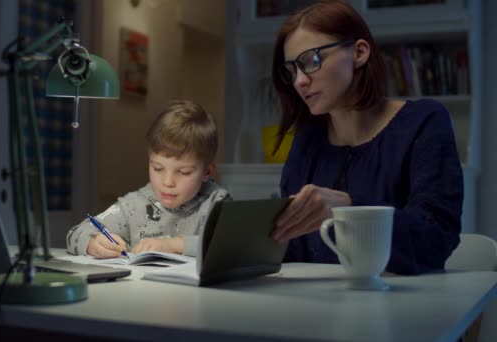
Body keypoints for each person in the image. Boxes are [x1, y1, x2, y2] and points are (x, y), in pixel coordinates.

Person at [268, 0, 463, 275]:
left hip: (401, 307)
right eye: (292, 71)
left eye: (311, 61)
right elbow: (293, 250)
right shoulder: (308, 139)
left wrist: (349, 209)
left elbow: (435, 239)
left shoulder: (424, 122)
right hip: (315, 307)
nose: (300, 81)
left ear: (359, 53)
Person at [66, 100, 230, 258]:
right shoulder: (133, 205)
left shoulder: (217, 202)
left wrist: (173, 245)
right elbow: (75, 233)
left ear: (207, 171)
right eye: (158, 168)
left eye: (184, 172)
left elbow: (231, 244)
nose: (168, 182)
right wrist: (92, 244)